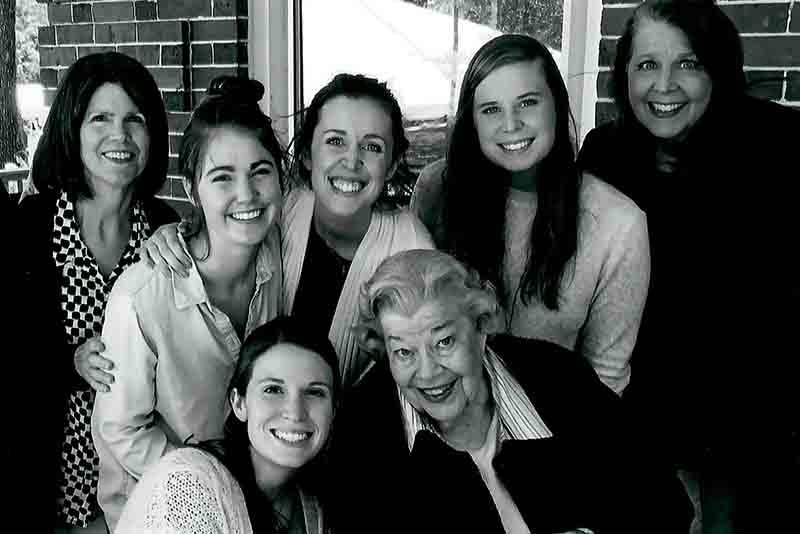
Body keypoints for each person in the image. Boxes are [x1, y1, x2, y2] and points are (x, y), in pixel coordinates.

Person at [576, 1, 800, 531]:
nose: (664, 85)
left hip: (755, 424)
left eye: (688, 63)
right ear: (624, 75)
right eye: (647, 65)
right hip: (641, 416)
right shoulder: (605, 154)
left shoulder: (782, 148)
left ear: (719, 71)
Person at [331, 249, 691, 534]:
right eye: (403, 352)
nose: (427, 372)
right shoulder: (362, 435)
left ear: (481, 329)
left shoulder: (559, 378)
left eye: (444, 342)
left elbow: (664, 504)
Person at [141, 73, 434, 387]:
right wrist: (176, 233)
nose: (352, 161)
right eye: (335, 141)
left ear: (391, 165)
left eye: (372, 147)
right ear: (307, 154)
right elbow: (225, 221)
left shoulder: (412, 247)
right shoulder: (285, 210)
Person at [91, 76, 284, 531]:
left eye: (261, 171)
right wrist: (214, 484)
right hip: (163, 508)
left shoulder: (280, 253)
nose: (247, 194)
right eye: (222, 177)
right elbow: (121, 430)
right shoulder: (141, 297)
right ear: (193, 189)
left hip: (257, 497)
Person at [411, 34, 649, 395]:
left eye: (527, 102)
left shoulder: (619, 223)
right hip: (438, 406)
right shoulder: (436, 190)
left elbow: (605, 376)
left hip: (554, 419)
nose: (511, 124)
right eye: (491, 109)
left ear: (557, 104)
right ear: (472, 121)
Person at [15, 51, 178, 531]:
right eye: (100, 119)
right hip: (44, 477)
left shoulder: (165, 230)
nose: (119, 136)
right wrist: (68, 362)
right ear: (73, 128)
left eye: (135, 120)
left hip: (138, 485)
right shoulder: (27, 229)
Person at [115, 316, 338, 534]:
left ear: (333, 411)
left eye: (315, 392)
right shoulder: (187, 486)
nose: (295, 413)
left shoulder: (313, 504)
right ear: (239, 403)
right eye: (273, 389)